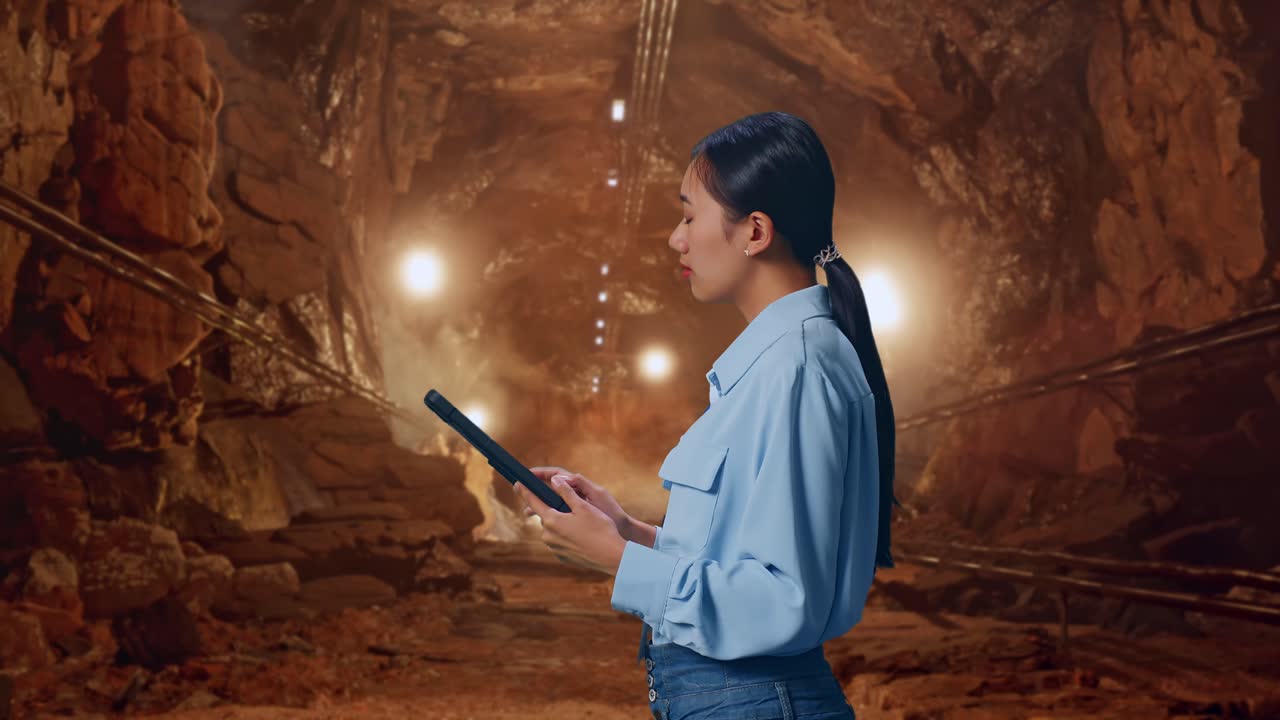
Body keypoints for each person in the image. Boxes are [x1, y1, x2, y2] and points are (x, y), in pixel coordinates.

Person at [514, 111, 899, 720]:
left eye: (690, 215)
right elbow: (742, 560)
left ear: (755, 231)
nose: (677, 238)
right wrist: (629, 532)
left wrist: (617, 560)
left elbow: (783, 600)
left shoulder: (795, 368)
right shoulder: (776, 365)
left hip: (755, 701)